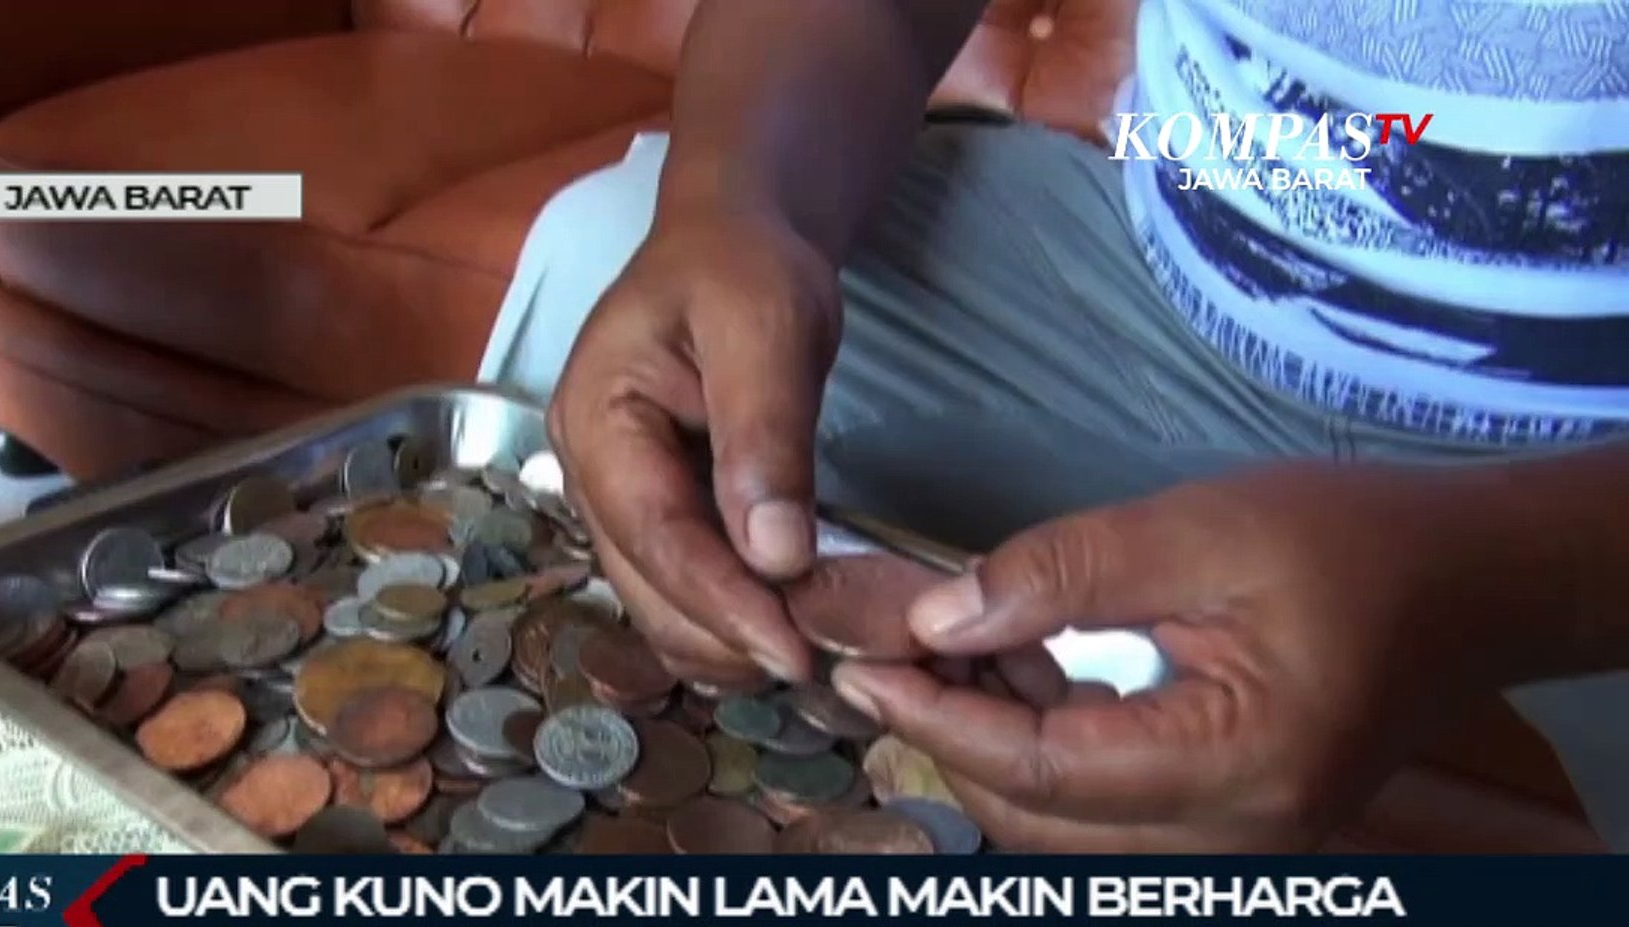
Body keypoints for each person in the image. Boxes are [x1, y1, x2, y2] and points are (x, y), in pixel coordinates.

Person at [477, 0, 1629, 853]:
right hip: (1152, 284)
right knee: (608, 271)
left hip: (1594, 462)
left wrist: (1491, 579)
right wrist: (734, 200)